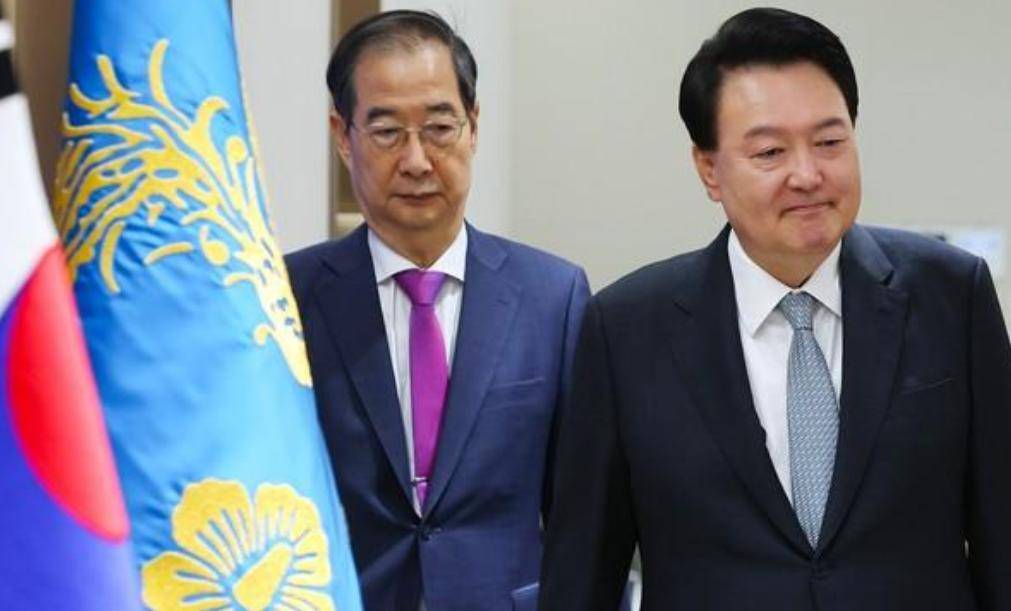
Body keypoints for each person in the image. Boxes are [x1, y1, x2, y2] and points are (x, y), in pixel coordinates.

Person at [540, 7, 1011, 610]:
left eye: (830, 142)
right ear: (709, 169)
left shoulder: (951, 294)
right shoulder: (626, 329)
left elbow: (1002, 532)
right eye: (769, 152)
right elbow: (583, 572)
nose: (808, 174)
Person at [285, 10, 588, 611]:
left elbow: (582, 514)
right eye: (387, 132)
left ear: (473, 126)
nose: (418, 160)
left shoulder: (553, 297)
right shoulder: (288, 297)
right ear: (342, 135)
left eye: (440, 127)